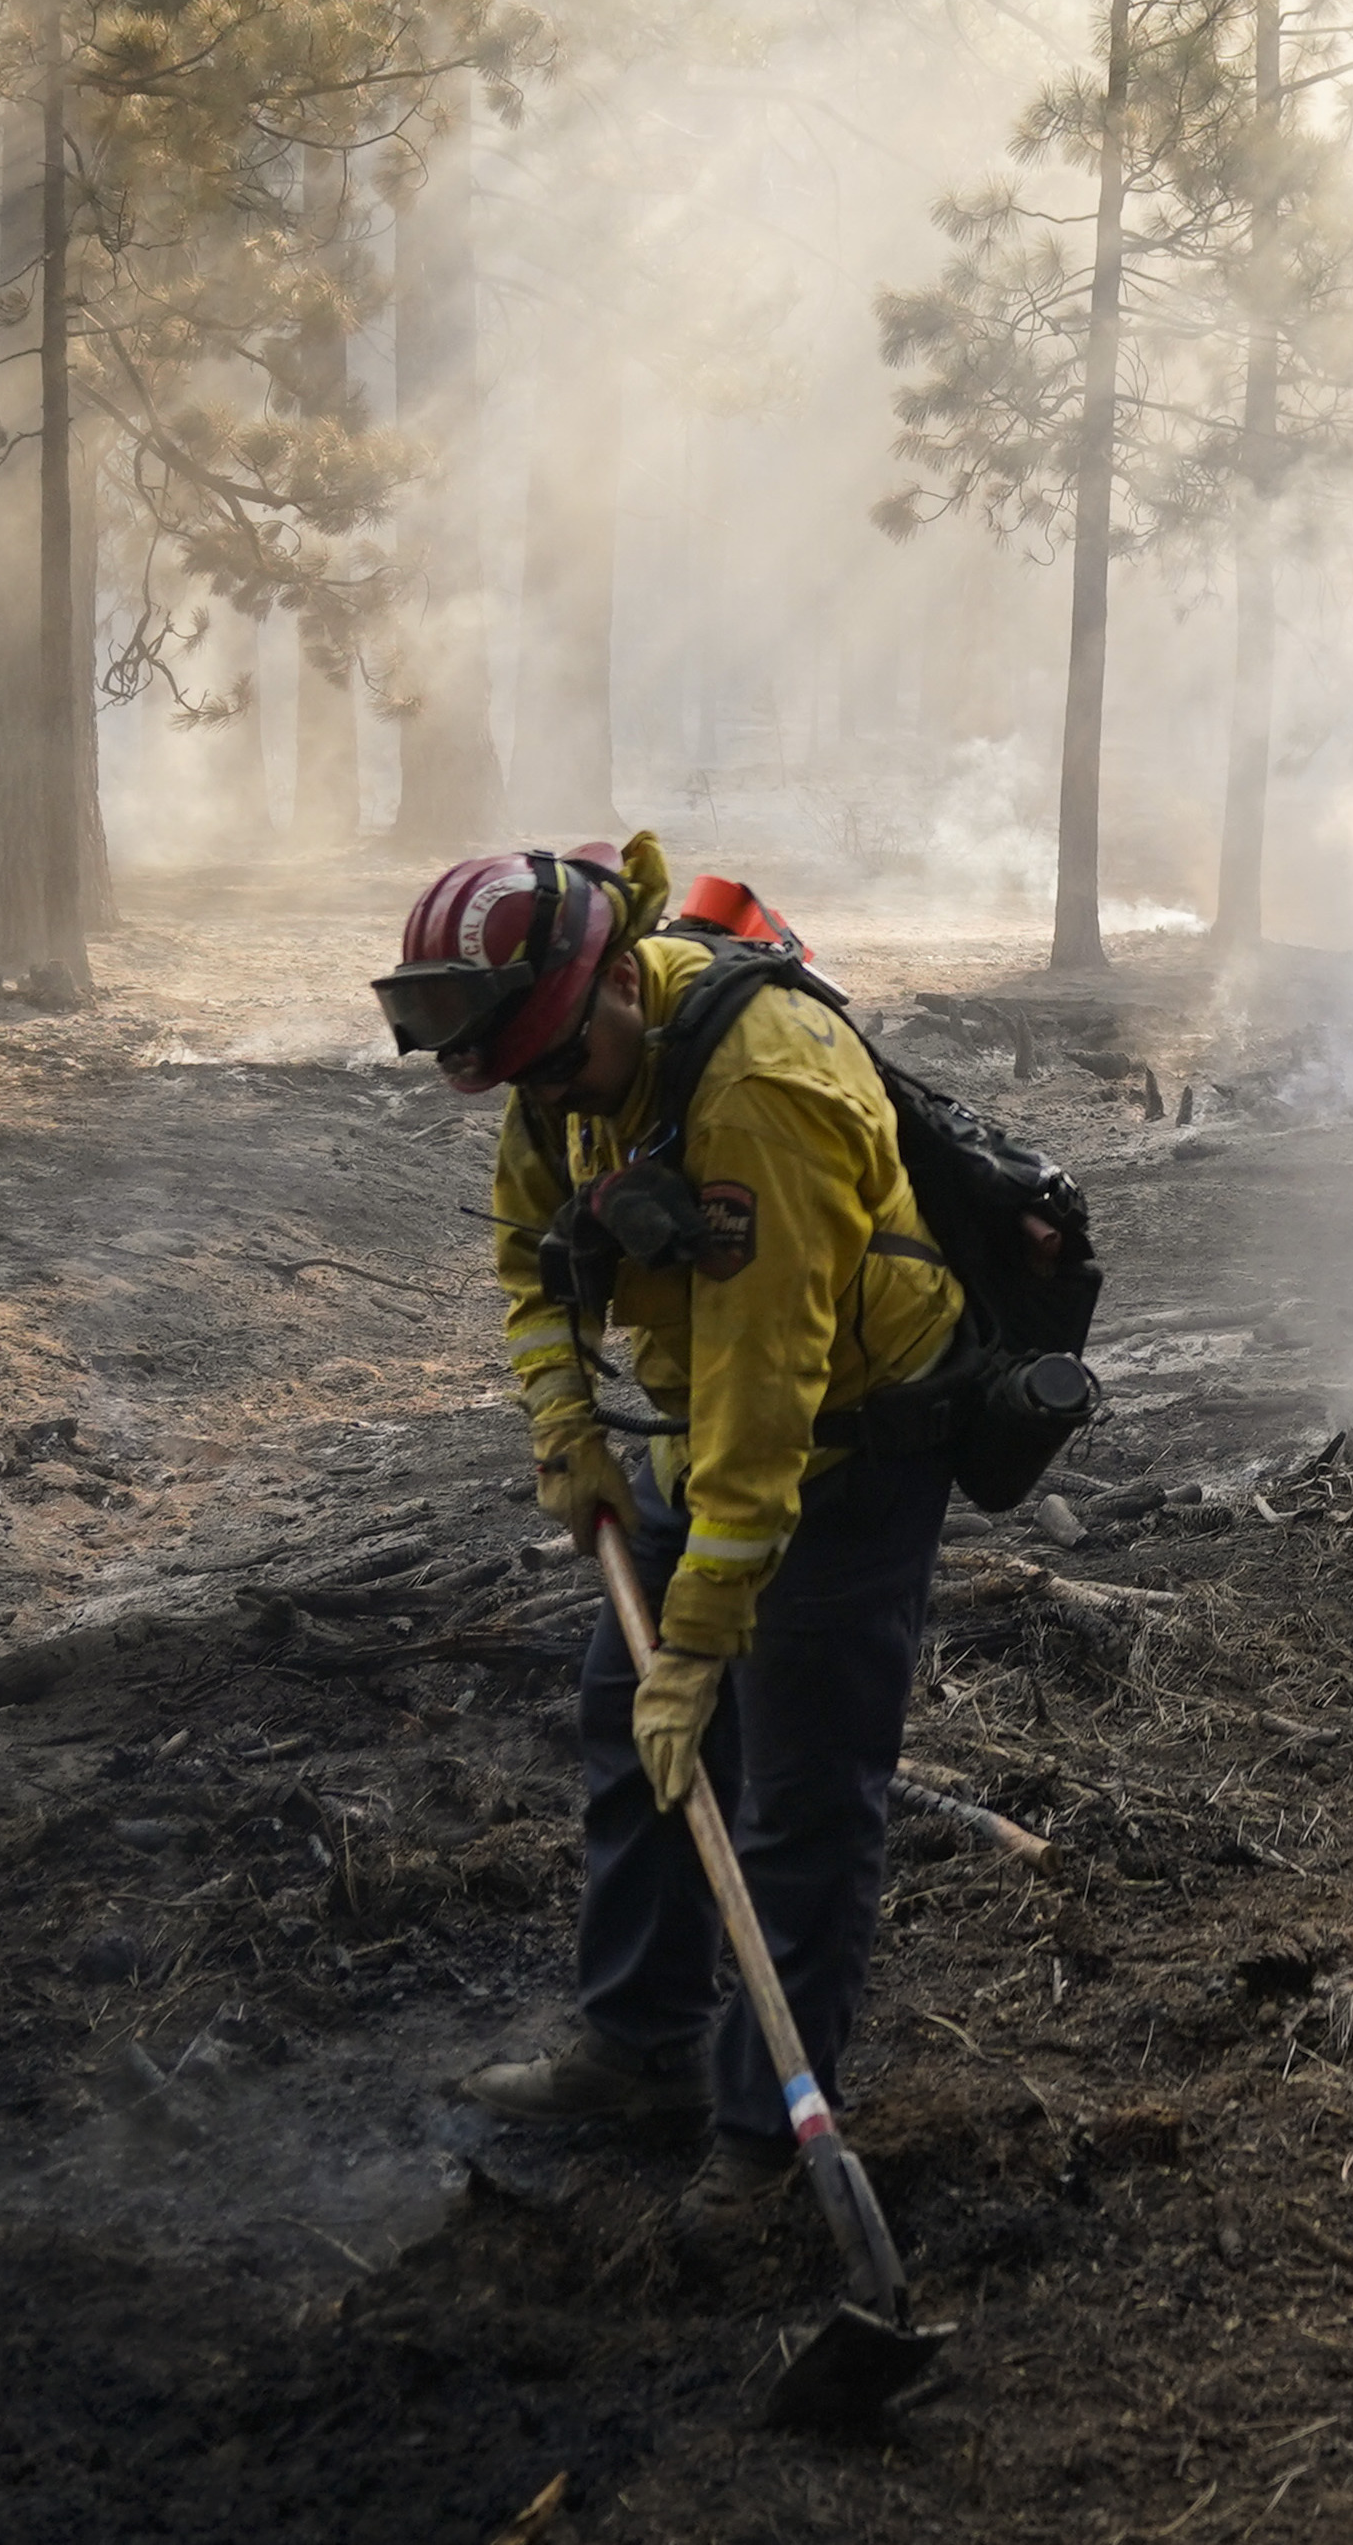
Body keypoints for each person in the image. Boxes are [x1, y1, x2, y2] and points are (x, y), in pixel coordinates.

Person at [376, 833, 965, 2215]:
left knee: (797, 1788)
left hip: (847, 1433)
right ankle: (640, 2042)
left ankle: (770, 2136)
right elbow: (533, 1251)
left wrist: (700, 1642)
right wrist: (564, 1423)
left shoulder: (761, 1091)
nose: (535, 1099)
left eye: (550, 1070)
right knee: (623, 1710)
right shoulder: (553, 1054)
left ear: (617, 996)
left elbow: (773, 1404)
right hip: (708, 1408)